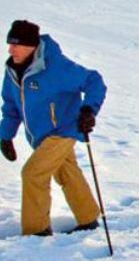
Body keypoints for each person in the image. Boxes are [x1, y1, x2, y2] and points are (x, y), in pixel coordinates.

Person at [0, 20, 106, 236]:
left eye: (16, 44)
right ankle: (88, 219)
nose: (11, 49)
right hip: (40, 136)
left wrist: (88, 110)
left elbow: (94, 81)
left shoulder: (55, 66)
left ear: (31, 46)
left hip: (63, 130)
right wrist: (5, 136)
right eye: (9, 44)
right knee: (68, 173)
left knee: (33, 174)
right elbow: (11, 107)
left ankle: (36, 231)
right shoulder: (12, 71)